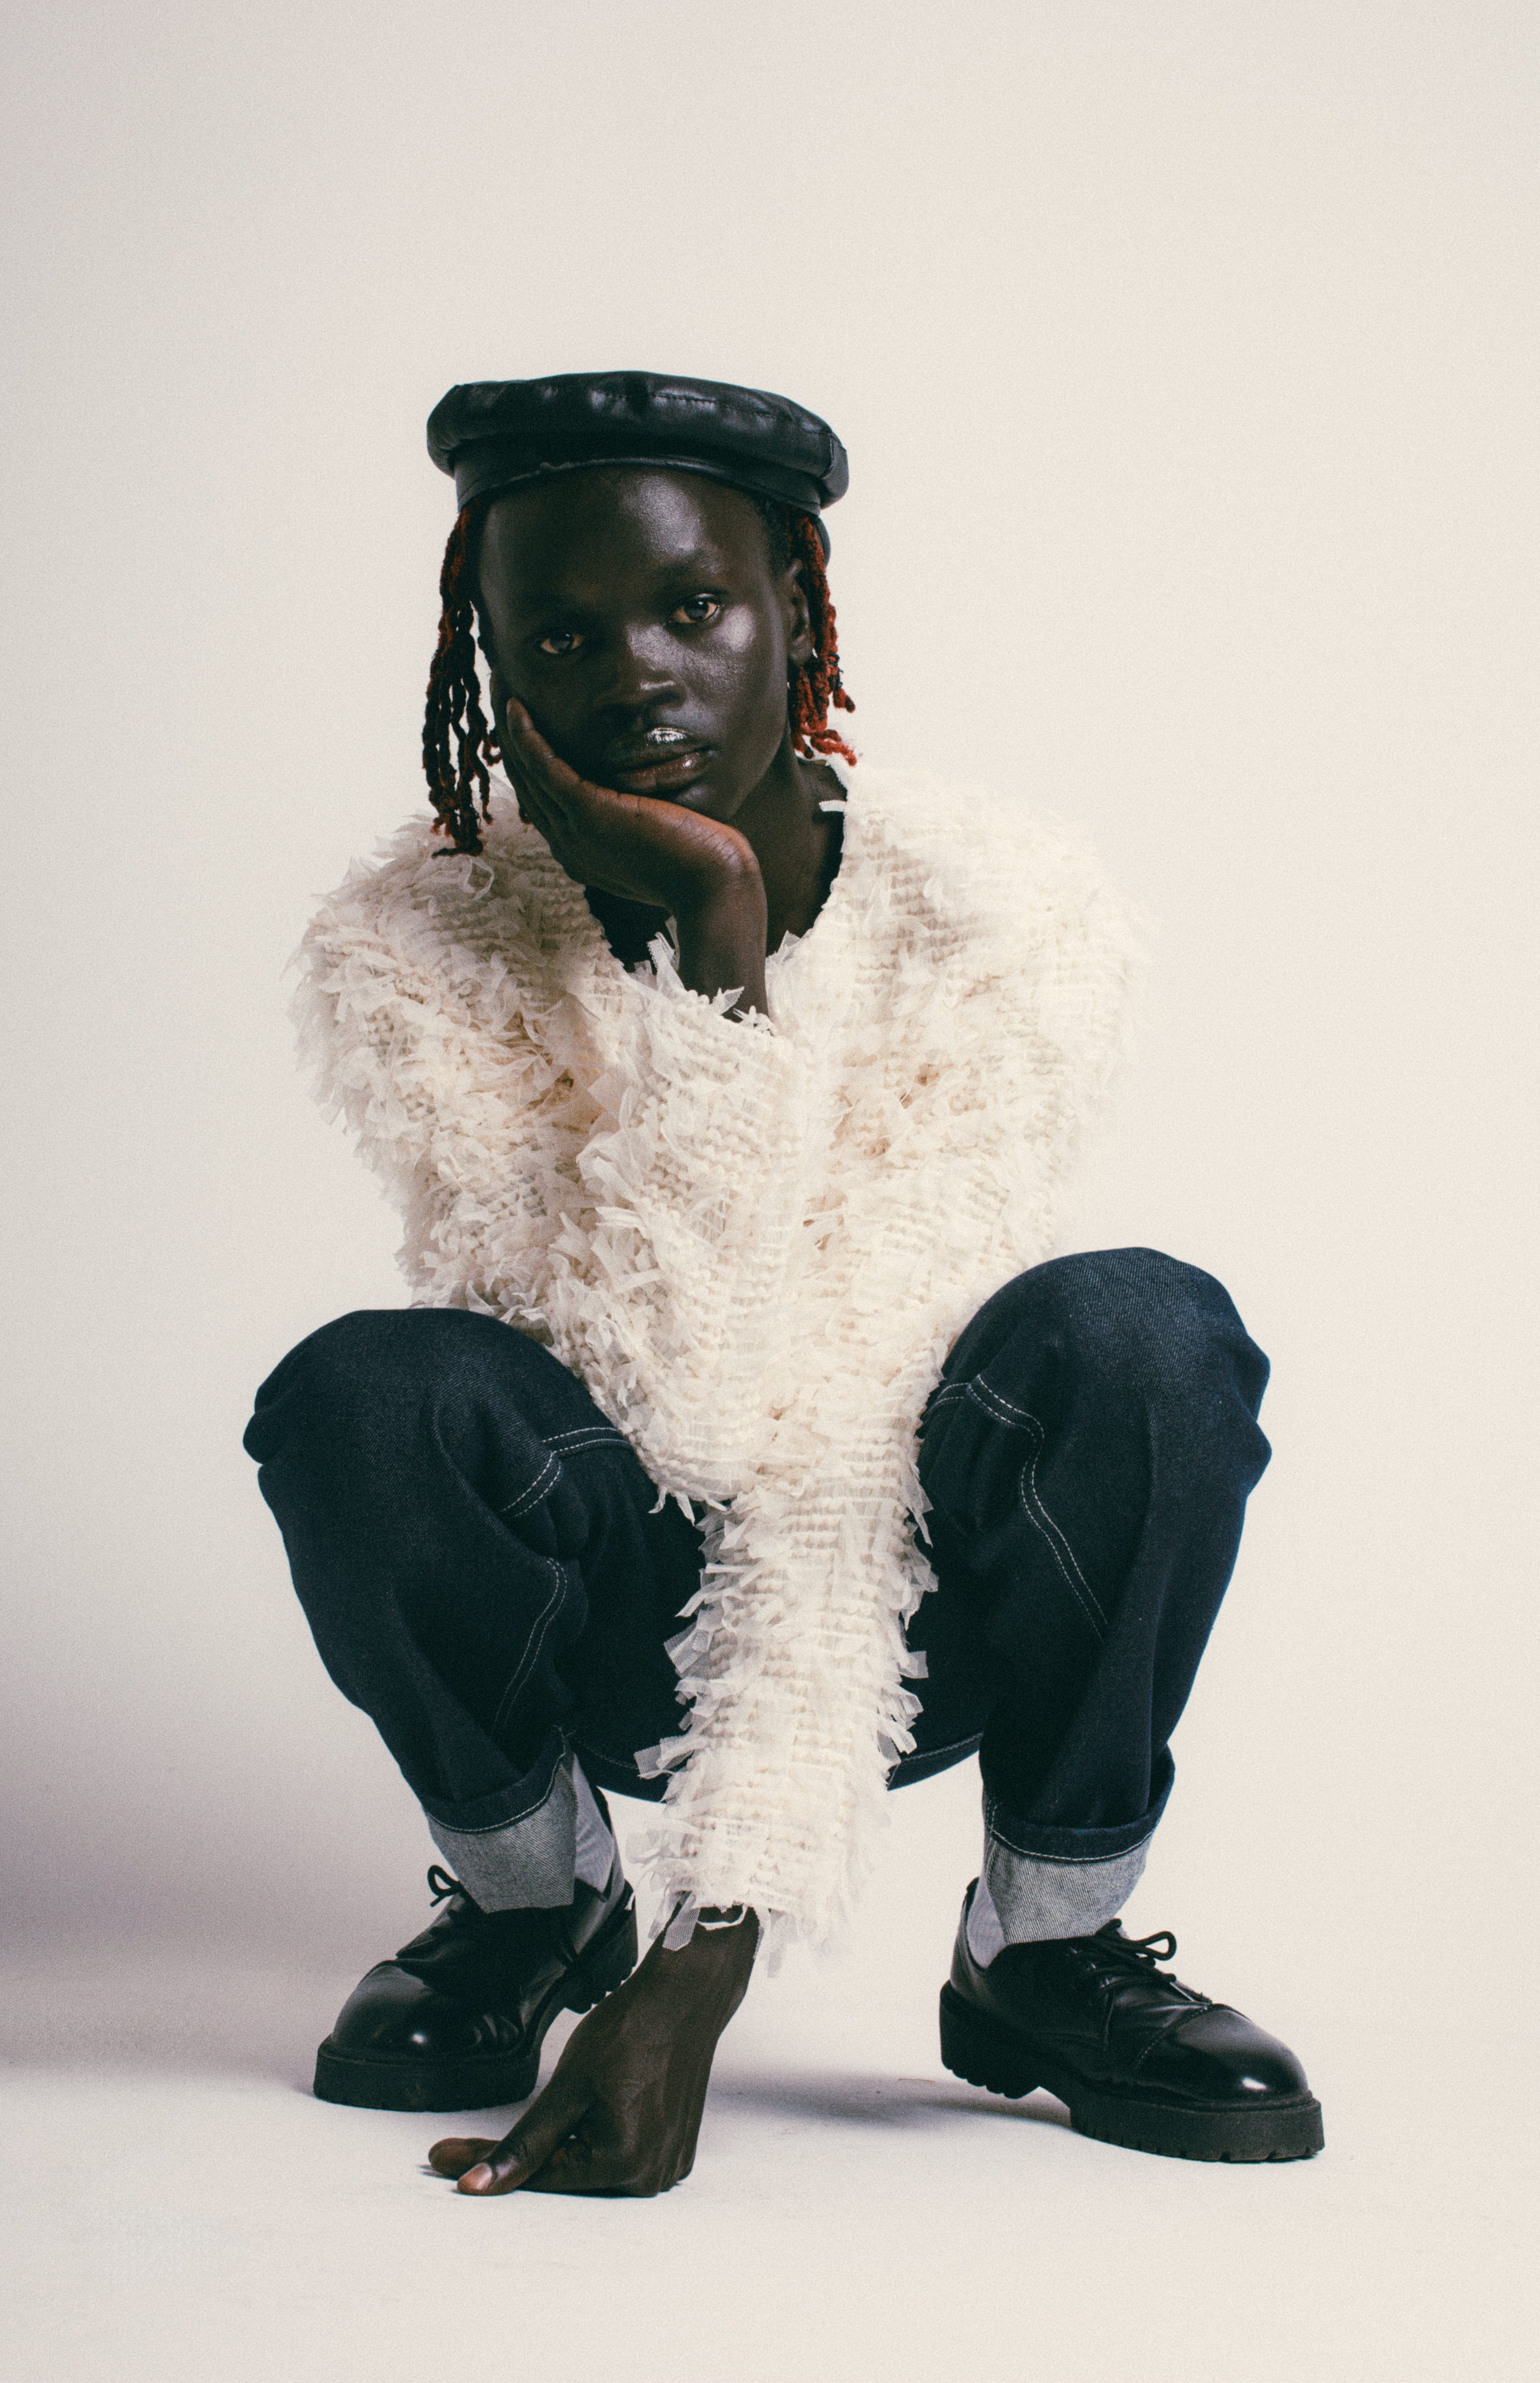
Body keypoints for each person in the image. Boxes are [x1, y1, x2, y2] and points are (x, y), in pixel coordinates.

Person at [244, 370, 1323, 2197]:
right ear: (489, 669)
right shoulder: (420, 936)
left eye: (692, 607)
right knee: (366, 1393)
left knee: (1140, 1330)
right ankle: (534, 1910)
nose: (636, 674)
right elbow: (668, 1400)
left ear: (797, 614)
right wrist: (705, 968)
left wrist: (714, 1949)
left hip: (921, 1585)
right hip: (612, 1569)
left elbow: (820, 1437)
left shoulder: (997, 907)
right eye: (562, 633)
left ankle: (1043, 1953)